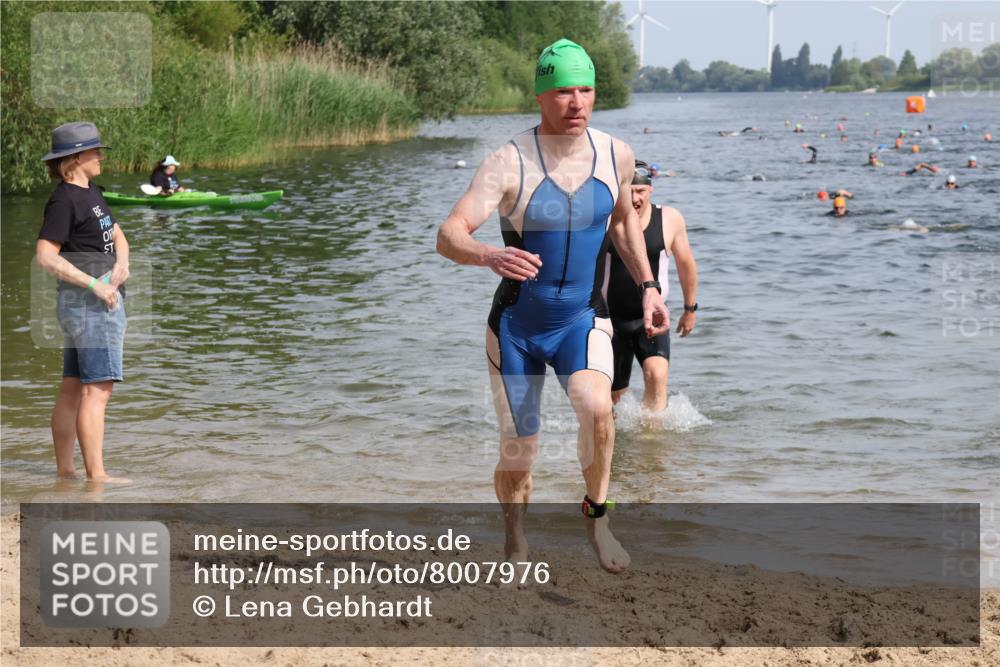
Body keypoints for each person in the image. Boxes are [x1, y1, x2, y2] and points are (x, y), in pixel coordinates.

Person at [436, 38, 669, 573]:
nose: (577, 102)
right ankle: (516, 544)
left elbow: (623, 223)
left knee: (598, 412)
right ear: (541, 95)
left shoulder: (617, 154)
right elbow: (449, 235)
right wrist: (488, 254)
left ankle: (598, 521)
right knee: (522, 448)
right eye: (563, 90)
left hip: (580, 319)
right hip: (517, 326)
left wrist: (650, 285)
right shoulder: (508, 161)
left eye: (585, 89)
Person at [35, 122, 130, 482]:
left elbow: (118, 235)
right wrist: (96, 285)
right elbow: (45, 256)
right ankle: (98, 477)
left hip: (85, 305)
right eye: (95, 151)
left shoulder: (90, 191)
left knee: (74, 388)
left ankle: (66, 473)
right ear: (75, 158)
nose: (100, 157)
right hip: (92, 306)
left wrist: (121, 265)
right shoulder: (64, 201)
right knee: (97, 391)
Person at [605, 160, 697, 412]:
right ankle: (620, 447)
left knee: (656, 376)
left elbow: (686, 264)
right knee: (616, 400)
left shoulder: (669, 219)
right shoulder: (607, 220)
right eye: (629, 192)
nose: (635, 198)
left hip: (653, 316)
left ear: (651, 190)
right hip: (610, 319)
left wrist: (690, 309)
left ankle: (653, 445)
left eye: (640, 191)